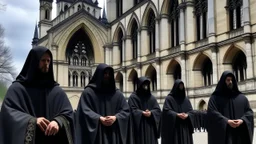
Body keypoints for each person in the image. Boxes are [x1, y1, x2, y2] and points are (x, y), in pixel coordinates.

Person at [0, 46, 74, 144]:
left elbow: (68, 113)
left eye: (48, 61)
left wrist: (58, 121)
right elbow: (8, 113)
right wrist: (32, 121)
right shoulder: (18, 89)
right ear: (34, 62)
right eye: (43, 60)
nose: (46, 64)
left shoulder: (56, 91)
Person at [75, 63, 130, 144]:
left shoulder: (117, 94)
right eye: (105, 73)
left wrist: (116, 118)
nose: (107, 76)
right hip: (96, 137)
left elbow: (126, 111)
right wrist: (99, 118)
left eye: (109, 74)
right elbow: (84, 111)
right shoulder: (88, 93)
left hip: (113, 136)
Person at [207, 71, 254, 144]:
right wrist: (226, 121)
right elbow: (212, 113)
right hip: (224, 136)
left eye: (232, 80)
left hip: (239, 135)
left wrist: (242, 120)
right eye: (228, 80)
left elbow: (249, 112)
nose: (230, 82)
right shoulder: (215, 98)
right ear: (223, 81)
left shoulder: (242, 97)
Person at [128, 77, 161, 144]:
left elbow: (157, 110)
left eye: (146, 85)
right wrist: (141, 112)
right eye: (144, 85)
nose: (145, 87)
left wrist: (151, 113)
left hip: (150, 127)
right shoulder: (133, 97)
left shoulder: (151, 98)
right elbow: (131, 110)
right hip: (139, 127)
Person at [161, 79, 194, 144]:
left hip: (185, 128)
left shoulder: (186, 99)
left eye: (182, 86)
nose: (181, 88)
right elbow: (166, 111)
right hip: (174, 128)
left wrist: (188, 115)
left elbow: (191, 111)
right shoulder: (169, 99)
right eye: (179, 86)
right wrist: (176, 115)